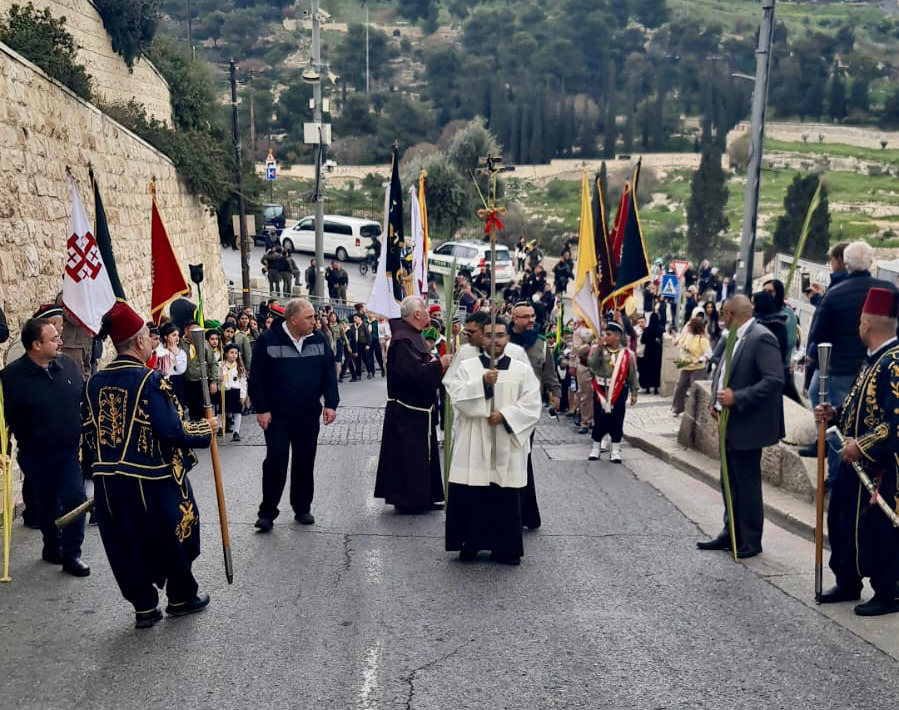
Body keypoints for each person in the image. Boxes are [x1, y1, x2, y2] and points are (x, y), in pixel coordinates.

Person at [82, 302, 218, 628]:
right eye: (149, 338)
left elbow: (87, 436)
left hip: (108, 483)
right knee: (174, 534)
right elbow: (170, 429)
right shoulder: (150, 381)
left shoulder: (94, 383)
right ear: (140, 342)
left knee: (125, 542)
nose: (152, 343)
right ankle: (181, 596)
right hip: (152, 480)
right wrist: (205, 429)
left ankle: (144, 607)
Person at [814, 287, 899, 616]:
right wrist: (835, 414)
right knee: (841, 520)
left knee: (879, 532)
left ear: (866, 324)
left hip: (882, 468)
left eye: (860, 322)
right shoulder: (873, 360)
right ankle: (848, 580)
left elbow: (894, 421)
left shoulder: (893, 363)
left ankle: (887, 590)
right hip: (854, 461)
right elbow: (859, 408)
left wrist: (862, 445)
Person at [443, 318, 543, 565]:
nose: (495, 340)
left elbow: (532, 403)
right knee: (474, 493)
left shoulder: (521, 369)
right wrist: (483, 384)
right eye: (489, 335)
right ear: (482, 338)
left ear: (507, 338)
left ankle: (505, 548)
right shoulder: (467, 367)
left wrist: (507, 416)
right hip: (474, 440)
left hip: (506, 440)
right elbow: (456, 396)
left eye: (500, 335)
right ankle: (472, 543)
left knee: (504, 495)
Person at [697, 295, 784, 559]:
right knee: (728, 480)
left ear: (732, 314)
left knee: (746, 483)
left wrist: (738, 397)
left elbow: (774, 380)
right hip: (728, 419)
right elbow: (722, 371)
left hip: (748, 423)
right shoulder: (732, 336)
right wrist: (716, 401)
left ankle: (750, 538)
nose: (721, 318)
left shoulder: (761, 337)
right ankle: (730, 530)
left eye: (724, 313)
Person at [3, 318, 89, 576]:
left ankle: (72, 554)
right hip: (36, 454)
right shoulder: (11, 378)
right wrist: (3, 452)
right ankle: (52, 545)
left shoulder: (68, 366)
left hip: (69, 452)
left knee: (75, 498)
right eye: (53, 339)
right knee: (48, 504)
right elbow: (2, 421)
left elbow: (83, 401)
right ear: (35, 345)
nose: (60, 341)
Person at [805, 241, 895, 486]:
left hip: (842, 370)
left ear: (845, 265)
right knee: (866, 419)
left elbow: (818, 335)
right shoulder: (889, 290)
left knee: (839, 427)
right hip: (877, 363)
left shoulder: (835, 293)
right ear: (871, 262)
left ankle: (838, 476)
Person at [249, 299, 338, 532]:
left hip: (308, 413)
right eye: (309, 318)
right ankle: (267, 512)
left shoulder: (319, 339)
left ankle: (302, 507)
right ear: (293, 319)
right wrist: (261, 408)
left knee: (305, 460)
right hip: (277, 414)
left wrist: (330, 403)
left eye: (314, 317)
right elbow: (256, 377)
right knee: (276, 459)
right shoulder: (268, 340)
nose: (314, 321)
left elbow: (329, 372)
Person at [374, 296, 453, 513]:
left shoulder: (413, 336)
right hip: (407, 410)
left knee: (423, 455)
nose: (428, 312)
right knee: (410, 457)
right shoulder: (402, 340)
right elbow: (412, 373)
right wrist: (439, 364)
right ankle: (409, 499)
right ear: (417, 314)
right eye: (425, 309)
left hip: (420, 410)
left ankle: (426, 496)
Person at [510, 301, 561, 529]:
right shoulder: (504, 342)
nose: (531, 320)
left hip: (528, 413)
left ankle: (525, 513)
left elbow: (549, 374)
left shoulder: (541, 345)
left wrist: (556, 394)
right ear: (514, 320)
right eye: (525, 317)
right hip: (505, 409)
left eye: (532, 316)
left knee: (523, 458)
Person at [586, 322, 638, 462]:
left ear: (617, 336)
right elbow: (592, 364)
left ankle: (615, 450)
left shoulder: (626, 354)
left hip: (619, 390)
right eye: (604, 334)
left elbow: (632, 373)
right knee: (600, 419)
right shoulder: (599, 350)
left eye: (608, 335)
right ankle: (595, 448)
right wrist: (599, 349)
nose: (605, 337)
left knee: (616, 419)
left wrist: (634, 392)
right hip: (601, 390)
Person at [671, 316, 710, 417]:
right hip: (685, 366)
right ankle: (677, 408)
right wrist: (674, 339)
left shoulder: (702, 339)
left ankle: (696, 412)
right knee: (680, 387)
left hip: (698, 368)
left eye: (690, 326)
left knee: (695, 390)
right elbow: (679, 343)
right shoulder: (686, 336)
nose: (688, 327)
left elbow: (708, 353)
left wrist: (701, 359)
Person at [181, 321, 219, 421]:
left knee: (203, 410)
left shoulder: (205, 344)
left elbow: (213, 363)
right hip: (187, 383)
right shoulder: (181, 344)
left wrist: (214, 381)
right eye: (193, 331)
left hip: (202, 382)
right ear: (186, 331)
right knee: (190, 410)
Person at [221, 344, 247, 442]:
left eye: (236, 353)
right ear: (226, 354)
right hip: (225, 391)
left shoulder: (239, 367)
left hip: (236, 391)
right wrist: (219, 379)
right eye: (231, 352)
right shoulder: (221, 365)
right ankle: (221, 427)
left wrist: (243, 395)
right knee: (223, 411)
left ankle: (236, 432)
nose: (234, 355)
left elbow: (243, 382)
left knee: (237, 412)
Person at [638, 311, 663, 394]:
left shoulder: (647, 330)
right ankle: (656, 388)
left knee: (648, 369)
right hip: (657, 352)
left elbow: (642, 340)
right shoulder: (661, 329)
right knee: (656, 370)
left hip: (648, 352)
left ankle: (648, 388)